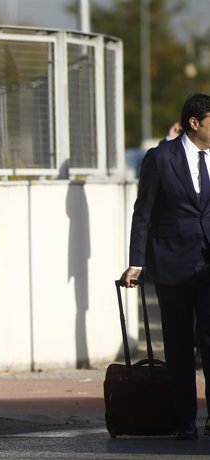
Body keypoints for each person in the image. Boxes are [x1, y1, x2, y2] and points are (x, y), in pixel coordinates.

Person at [120, 93, 210, 440]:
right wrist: (136, 262)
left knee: (208, 337)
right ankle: (185, 419)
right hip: (173, 263)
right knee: (177, 345)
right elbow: (143, 212)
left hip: (207, 265)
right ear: (194, 123)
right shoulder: (160, 158)